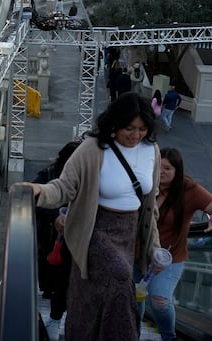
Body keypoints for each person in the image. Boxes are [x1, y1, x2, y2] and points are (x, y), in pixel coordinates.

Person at [16, 92, 161, 340]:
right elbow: (64, 187)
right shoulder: (92, 149)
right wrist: (38, 191)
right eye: (129, 128)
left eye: (142, 129)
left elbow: (151, 206)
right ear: (114, 123)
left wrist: (153, 246)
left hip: (128, 233)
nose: (136, 135)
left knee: (94, 298)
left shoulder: (152, 151)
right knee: (120, 278)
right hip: (95, 230)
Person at [136, 147, 212, 341]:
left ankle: (168, 336)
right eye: (159, 166)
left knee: (160, 300)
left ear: (178, 171)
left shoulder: (188, 189)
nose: (161, 172)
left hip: (170, 256)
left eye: (168, 168)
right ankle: (132, 332)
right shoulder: (146, 183)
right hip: (139, 253)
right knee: (133, 297)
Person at [33, 141, 80, 336]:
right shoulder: (49, 175)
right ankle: (54, 311)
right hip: (50, 237)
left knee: (64, 278)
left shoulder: (88, 178)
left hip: (75, 240)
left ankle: (58, 315)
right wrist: (55, 218)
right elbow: (36, 201)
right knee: (53, 273)